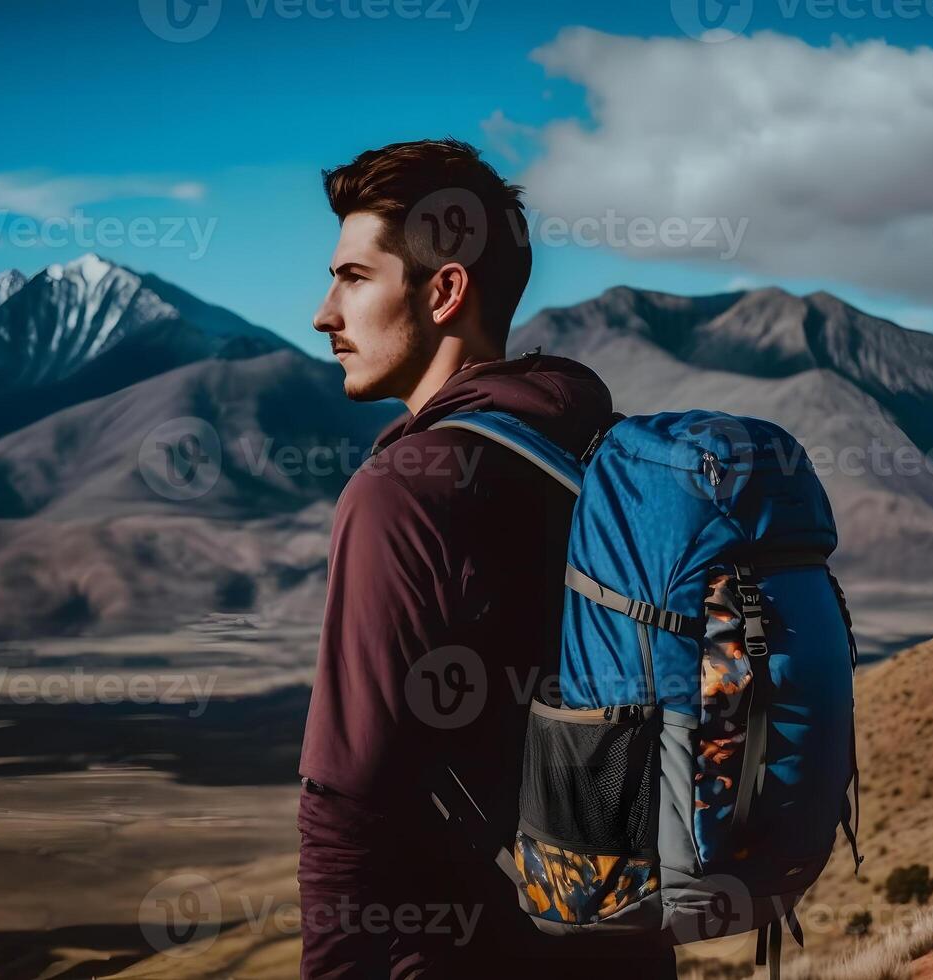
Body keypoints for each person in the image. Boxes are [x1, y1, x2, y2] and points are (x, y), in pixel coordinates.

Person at [297, 138, 679, 979]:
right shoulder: (593, 450)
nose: (324, 313)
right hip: (622, 950)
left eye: (354, 278)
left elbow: (344, 806)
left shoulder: (402, 491)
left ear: (445, 290)